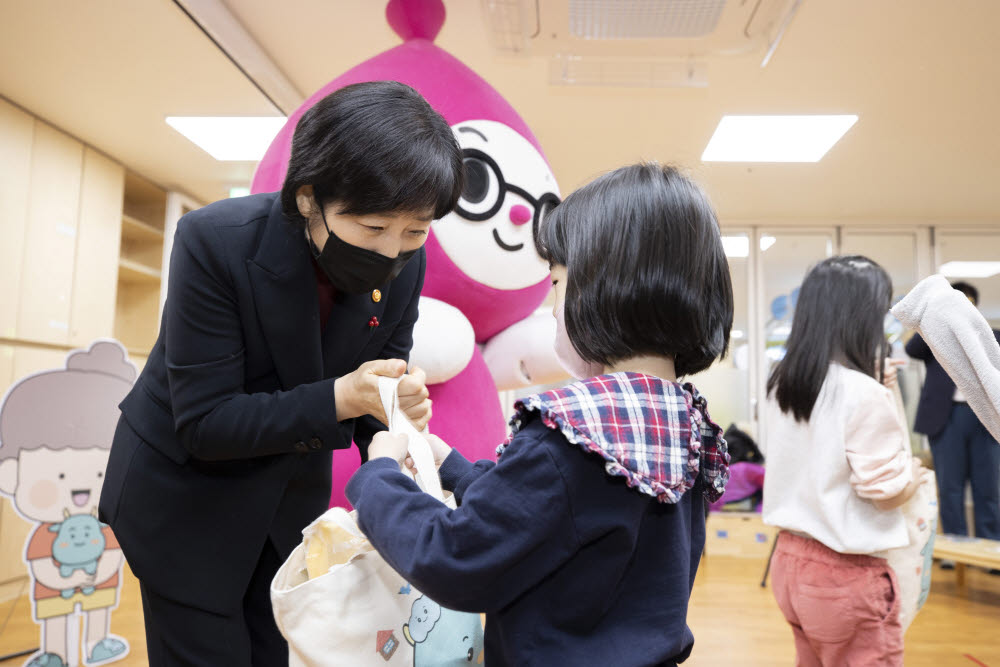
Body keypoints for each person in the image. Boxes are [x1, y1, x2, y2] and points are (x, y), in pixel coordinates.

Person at [98, 81, 462, 666]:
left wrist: (395, 404)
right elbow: (207, 421)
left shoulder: (405, 265)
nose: (394, 250)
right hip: (185, 502)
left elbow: (374, 386)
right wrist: (345, 396)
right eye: (373, 228)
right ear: (308, 198)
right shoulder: (215, 242)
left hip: (286, 505)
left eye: (415, 231)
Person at [345, 163, 733, 666]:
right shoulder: (685, 426)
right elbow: (557, 515)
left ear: (603, 286)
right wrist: (453, 465)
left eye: (557, 284)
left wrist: (379, 475)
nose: (553, 307)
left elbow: (456, 558)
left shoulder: (572, 432)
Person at [762, 256, 930, 666]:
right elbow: (886, 495)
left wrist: (876, 388)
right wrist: (916, 474)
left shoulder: (784, 383)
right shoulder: (862, 393)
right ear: (863, 317)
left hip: (790, 562)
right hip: (845, 572)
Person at [904, 281, 1000, 546]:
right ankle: (956, 548)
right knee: (950, 488)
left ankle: (991, 546)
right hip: (945, 419)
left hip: (985, 419)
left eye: (967, 303)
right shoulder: (934, 336)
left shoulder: (991, 336)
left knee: (988, 488)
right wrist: (930, 320)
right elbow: (912, 350)